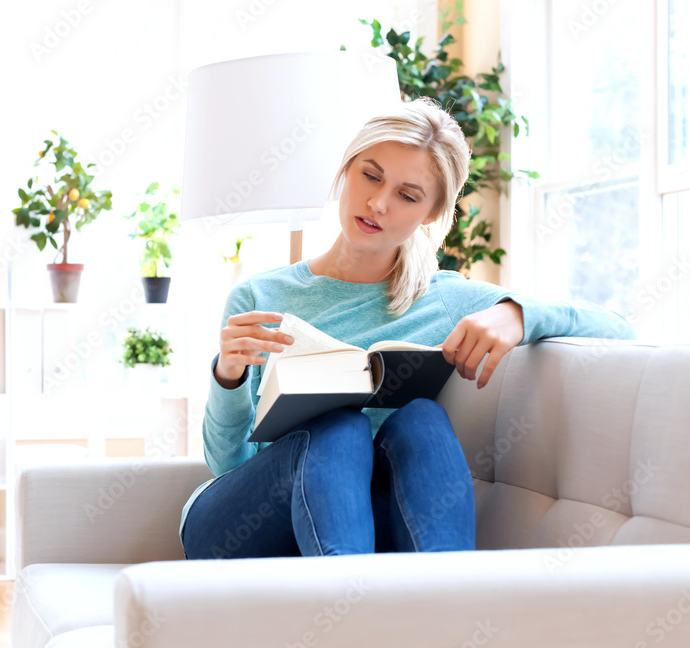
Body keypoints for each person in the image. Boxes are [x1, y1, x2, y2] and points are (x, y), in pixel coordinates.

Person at [180, 97, 635, 560]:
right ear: (346, 170)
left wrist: (515, 313)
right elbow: (226, 464)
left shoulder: (441, 300)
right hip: (237, 527)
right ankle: (351, 595)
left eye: (407, 195)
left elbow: (619, 328)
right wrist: (228, 375)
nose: (378, 203)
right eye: (370, 176)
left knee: (423, 419)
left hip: (366, 528)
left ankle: (434, 603)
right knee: (338, 427)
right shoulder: (260, 297)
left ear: (432, 214)